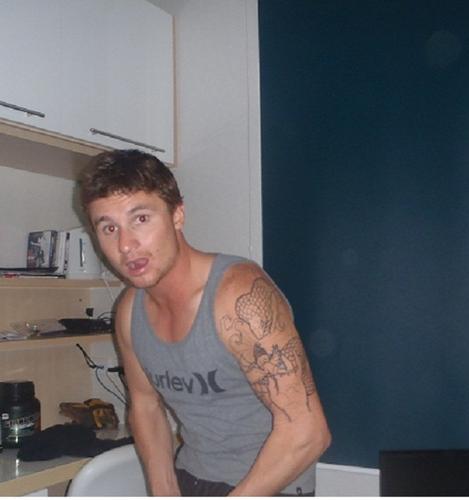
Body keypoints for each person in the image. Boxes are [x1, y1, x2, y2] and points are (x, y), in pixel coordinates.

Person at [78, 149, 331, 496]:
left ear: (177, 215)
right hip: (194, 476)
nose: (126, 245)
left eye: (141, 219)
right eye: (109, 228)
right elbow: (145, 406)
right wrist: (164, 491)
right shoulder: (129, 311)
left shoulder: (238, 296)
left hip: (271, 482)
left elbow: (307, 433)